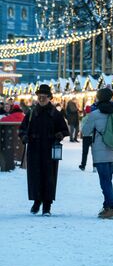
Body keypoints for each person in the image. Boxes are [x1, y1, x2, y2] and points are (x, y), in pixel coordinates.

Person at [18, 84, 69, 216]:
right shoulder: (31, 113)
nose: (41, 99)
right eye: (39, 96)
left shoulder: (55, 114)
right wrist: (24, 136)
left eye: (44, 97)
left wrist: (60, 135)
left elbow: (65, 130)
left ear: (49, 97)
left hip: (50, 149)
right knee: (34, 176)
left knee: (49, 176)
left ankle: (47, 205)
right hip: (34, 149)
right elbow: (22, 129)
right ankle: (36, 201)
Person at [82, 88, 113, 219]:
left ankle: (112, 208)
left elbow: (85, 131)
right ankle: (107, 207)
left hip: (100, 152)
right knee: (108, 180)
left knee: (105, 181)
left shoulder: (94, 114)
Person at [79, 105, 93, 171]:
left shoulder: (84, 119)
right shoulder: (93, 118)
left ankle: (83, 165)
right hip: (93, 136)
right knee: (94, 152)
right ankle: (95, 166)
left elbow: (81, 128)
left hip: (86, 137)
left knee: (85, 152)